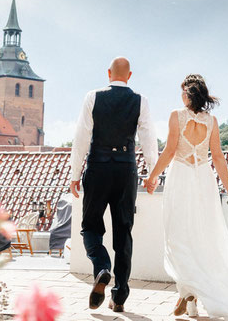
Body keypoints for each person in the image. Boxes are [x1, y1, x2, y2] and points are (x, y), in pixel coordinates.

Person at [145, 74, 228, 320]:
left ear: (189, 94)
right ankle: (189, 297)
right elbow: (218, 157)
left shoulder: (177, 115)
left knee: (179, 235)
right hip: (204, 180)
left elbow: (168, 151)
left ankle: (187, 295)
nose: (181, 96)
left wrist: (152, 176)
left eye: (183, 91)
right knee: (202, 235)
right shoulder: (212, 121)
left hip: (182, 178)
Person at [69, 57, 158, 312]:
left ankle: (102, 267)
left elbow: (81, 136)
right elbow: (149, 139)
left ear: (109, 73)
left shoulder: (92, 97)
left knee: (90, 226)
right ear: (129, 76)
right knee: (123, 232)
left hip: (98, 167)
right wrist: (152, 174)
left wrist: (75, 174)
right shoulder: (140, 100)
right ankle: (119, 298)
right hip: (125, 170)